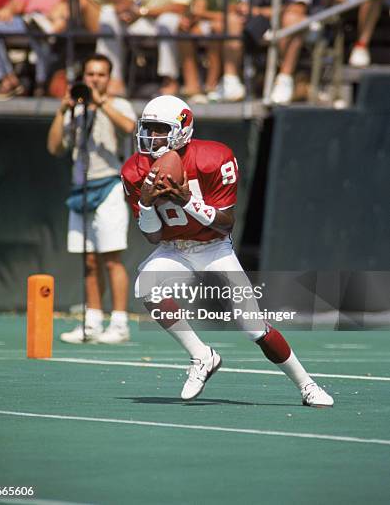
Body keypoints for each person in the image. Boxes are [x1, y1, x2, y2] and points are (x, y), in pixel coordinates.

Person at [121, 94, 334, 406]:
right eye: (148, 128)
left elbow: (225, 224)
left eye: (159, 129)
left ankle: (306, 384)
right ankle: (202, 356)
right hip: (173, 248)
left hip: (214, 247)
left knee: (254, 328)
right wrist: (146, 202)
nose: (151, 137)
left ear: (182, 129)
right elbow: (152, 237)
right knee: (146, 286)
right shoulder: (134, 170)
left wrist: (187, 201)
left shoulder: (213, 158)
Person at [47, 53, 136, 344]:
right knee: (88, 260)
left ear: (108, 78)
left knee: (112, 258)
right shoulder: (76, 109)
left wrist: (101, 102)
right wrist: (62, 110)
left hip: (109, 184)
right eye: (90, 74)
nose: (95, 79)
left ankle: (120, 323)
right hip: (81, 189)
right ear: (83, 76)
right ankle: (93, 320)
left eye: (100, 74)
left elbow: (129, 128)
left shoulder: (117, 103)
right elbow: (54, 148)